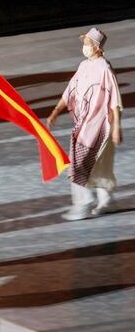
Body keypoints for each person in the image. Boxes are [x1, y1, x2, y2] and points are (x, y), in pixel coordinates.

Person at [47, 27, 122, 220]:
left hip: (101, 125)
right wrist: (56, 110)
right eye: (84, 43)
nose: (85, 47)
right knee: (98, 163)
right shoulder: (83, 66)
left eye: (88, 44)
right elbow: (69, 91)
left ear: (97, 47)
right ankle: (107, 200)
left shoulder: (105, 68)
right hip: (84, 123)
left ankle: (84, 202)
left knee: (80, 163)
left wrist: (116, 128)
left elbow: (114, 99)